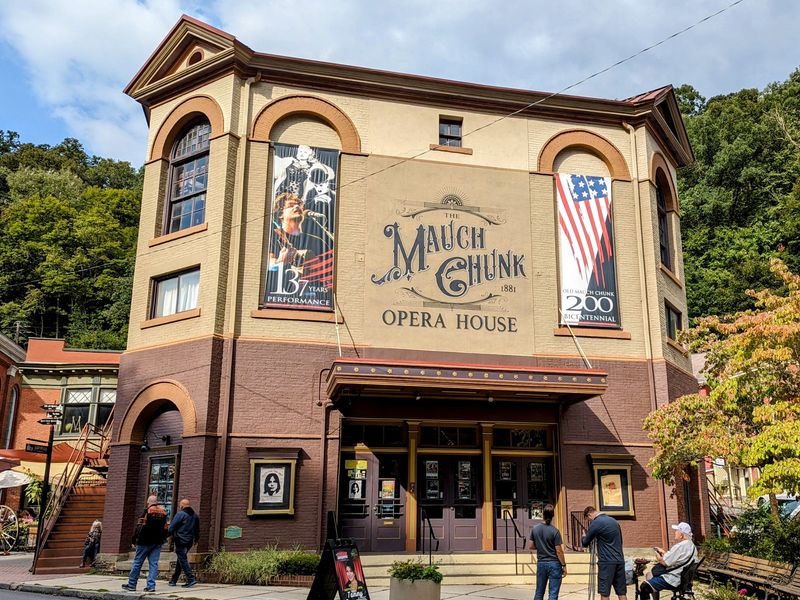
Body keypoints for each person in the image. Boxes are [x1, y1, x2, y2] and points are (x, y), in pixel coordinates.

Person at [121, 495, 168, 593]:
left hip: (144, 541)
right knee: (154, 564)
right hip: (157, 542)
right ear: (156, 502)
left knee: (137, 562)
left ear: (148, 502)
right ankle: (151, 586)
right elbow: (165, 529)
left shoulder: (147, 512)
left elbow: (139, 528)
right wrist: (163, 539)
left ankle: (132, 584)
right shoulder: (163, 513)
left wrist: (134, 541)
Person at [639, 523, 698, 600]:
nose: (675, 532)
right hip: (683, 578)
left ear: (681, 535)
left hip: (673, 578)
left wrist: (657, 554)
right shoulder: (692, 546)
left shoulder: (679, 546)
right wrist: (664, 552)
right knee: (650, 575)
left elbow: (664, 562)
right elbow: (677, 559)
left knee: (644, 587)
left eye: (677, 530)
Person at [581, 506, 627, 600]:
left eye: (588, 519)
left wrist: (583, 536)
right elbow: (620, 541)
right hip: (619, 560)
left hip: (606, 562)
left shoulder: (596, 523)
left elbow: (585, 543)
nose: (590, 521)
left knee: (604, 593)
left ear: (589, 514)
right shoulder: (614, 521)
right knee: (621, 592)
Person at [528, 503, 567, 600]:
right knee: (553, 594)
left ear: (543, 514)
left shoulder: (535, 529)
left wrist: (541, 547)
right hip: (554, 564)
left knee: (539, 592)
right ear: (553, 515)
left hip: (541, 563)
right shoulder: (555, 531)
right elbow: (559, 551)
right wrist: (564, 565)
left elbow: (531, 546)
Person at [168, 498, 200, 588]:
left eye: (180, 505)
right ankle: (174, 580)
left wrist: (164, 537)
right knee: (181, 559)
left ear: (182, 505)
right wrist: (196, 540)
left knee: (182, 559)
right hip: (189, 541)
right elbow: (197, 530)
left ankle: (191, 578)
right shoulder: (195, 516)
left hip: (180, 540)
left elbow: (171, 527)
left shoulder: (180, 514)